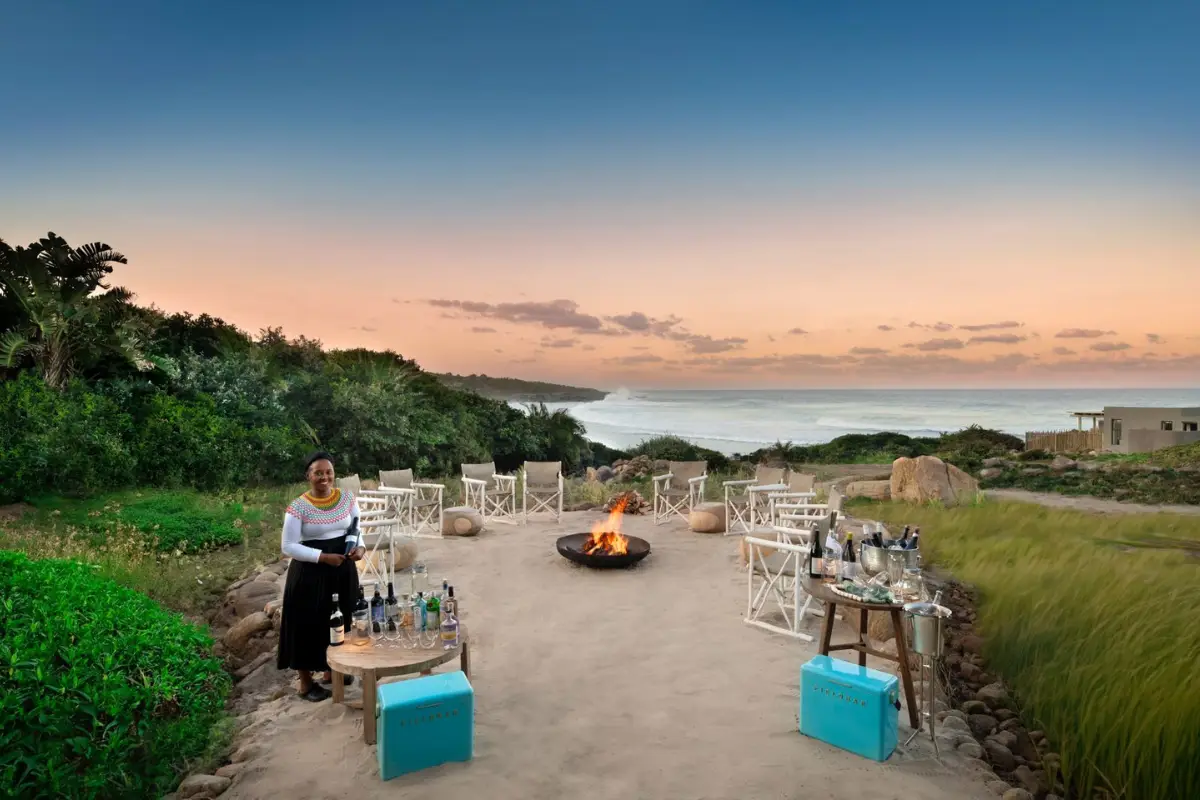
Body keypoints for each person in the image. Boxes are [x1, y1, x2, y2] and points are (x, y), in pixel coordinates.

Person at [276, 451, 365, 701]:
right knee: (306, 623)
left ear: (334, 474)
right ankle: (306, 683)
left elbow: (357, 528)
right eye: (318, 473)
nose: (324, 477)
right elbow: (288, 546)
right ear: (308, 475)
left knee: (341, 618)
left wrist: (361, 548)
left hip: (343, 569)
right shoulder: (298, 507)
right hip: (310, 573)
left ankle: (331, 671)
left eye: (328, 472)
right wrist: (323, 557)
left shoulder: (347, 498)